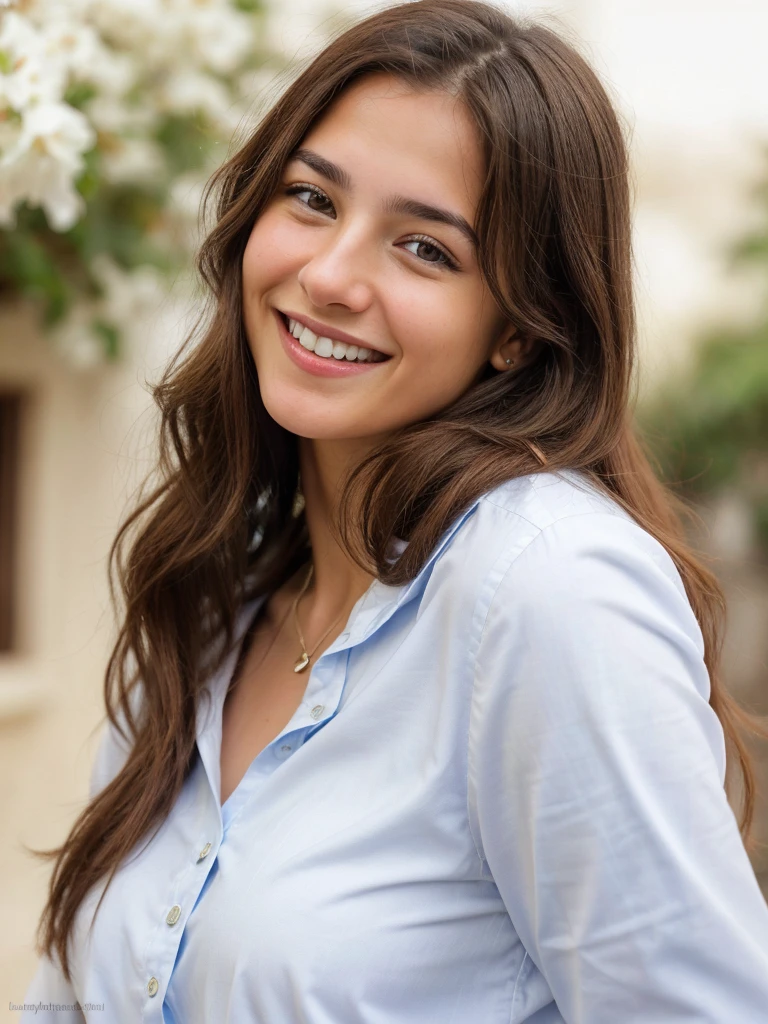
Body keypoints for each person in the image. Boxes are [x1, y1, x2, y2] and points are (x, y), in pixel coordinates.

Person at [20, 1, 768, 1021]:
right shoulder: (216, 578)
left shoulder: (548, 591)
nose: (329, 277)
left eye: (425, 249)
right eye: (312, 198)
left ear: (518, 326)